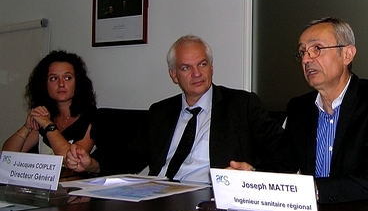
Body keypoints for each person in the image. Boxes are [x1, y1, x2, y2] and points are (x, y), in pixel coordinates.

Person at [66, 35, 283, 183]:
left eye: (202, 64)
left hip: (208, 198)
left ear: (212, 67)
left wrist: (253, 174)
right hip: (158, 196)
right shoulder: (160, 112)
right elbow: (131, 158)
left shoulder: (241, 105)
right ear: (173, 75)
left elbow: (282, 152)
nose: (197, 73)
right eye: (186, 68)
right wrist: (93, 164)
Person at [231, 17, 368, 203]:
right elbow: (283, 165)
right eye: (302, 52)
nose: (305, 59)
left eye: (316, 49)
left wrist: (314, 190)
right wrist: (253, 177)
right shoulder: (300, 108)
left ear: (347, 54)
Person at [2, 50, 97, 179]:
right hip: (42, 188)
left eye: (68, 77)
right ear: (44, 84)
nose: (61, 84)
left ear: (78, 82)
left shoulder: (92, 116)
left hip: (74, 191)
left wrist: (48, 125)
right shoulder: (45, 115)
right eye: (53, 78)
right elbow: (7, 157)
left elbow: (73, 161)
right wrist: (26, 127)